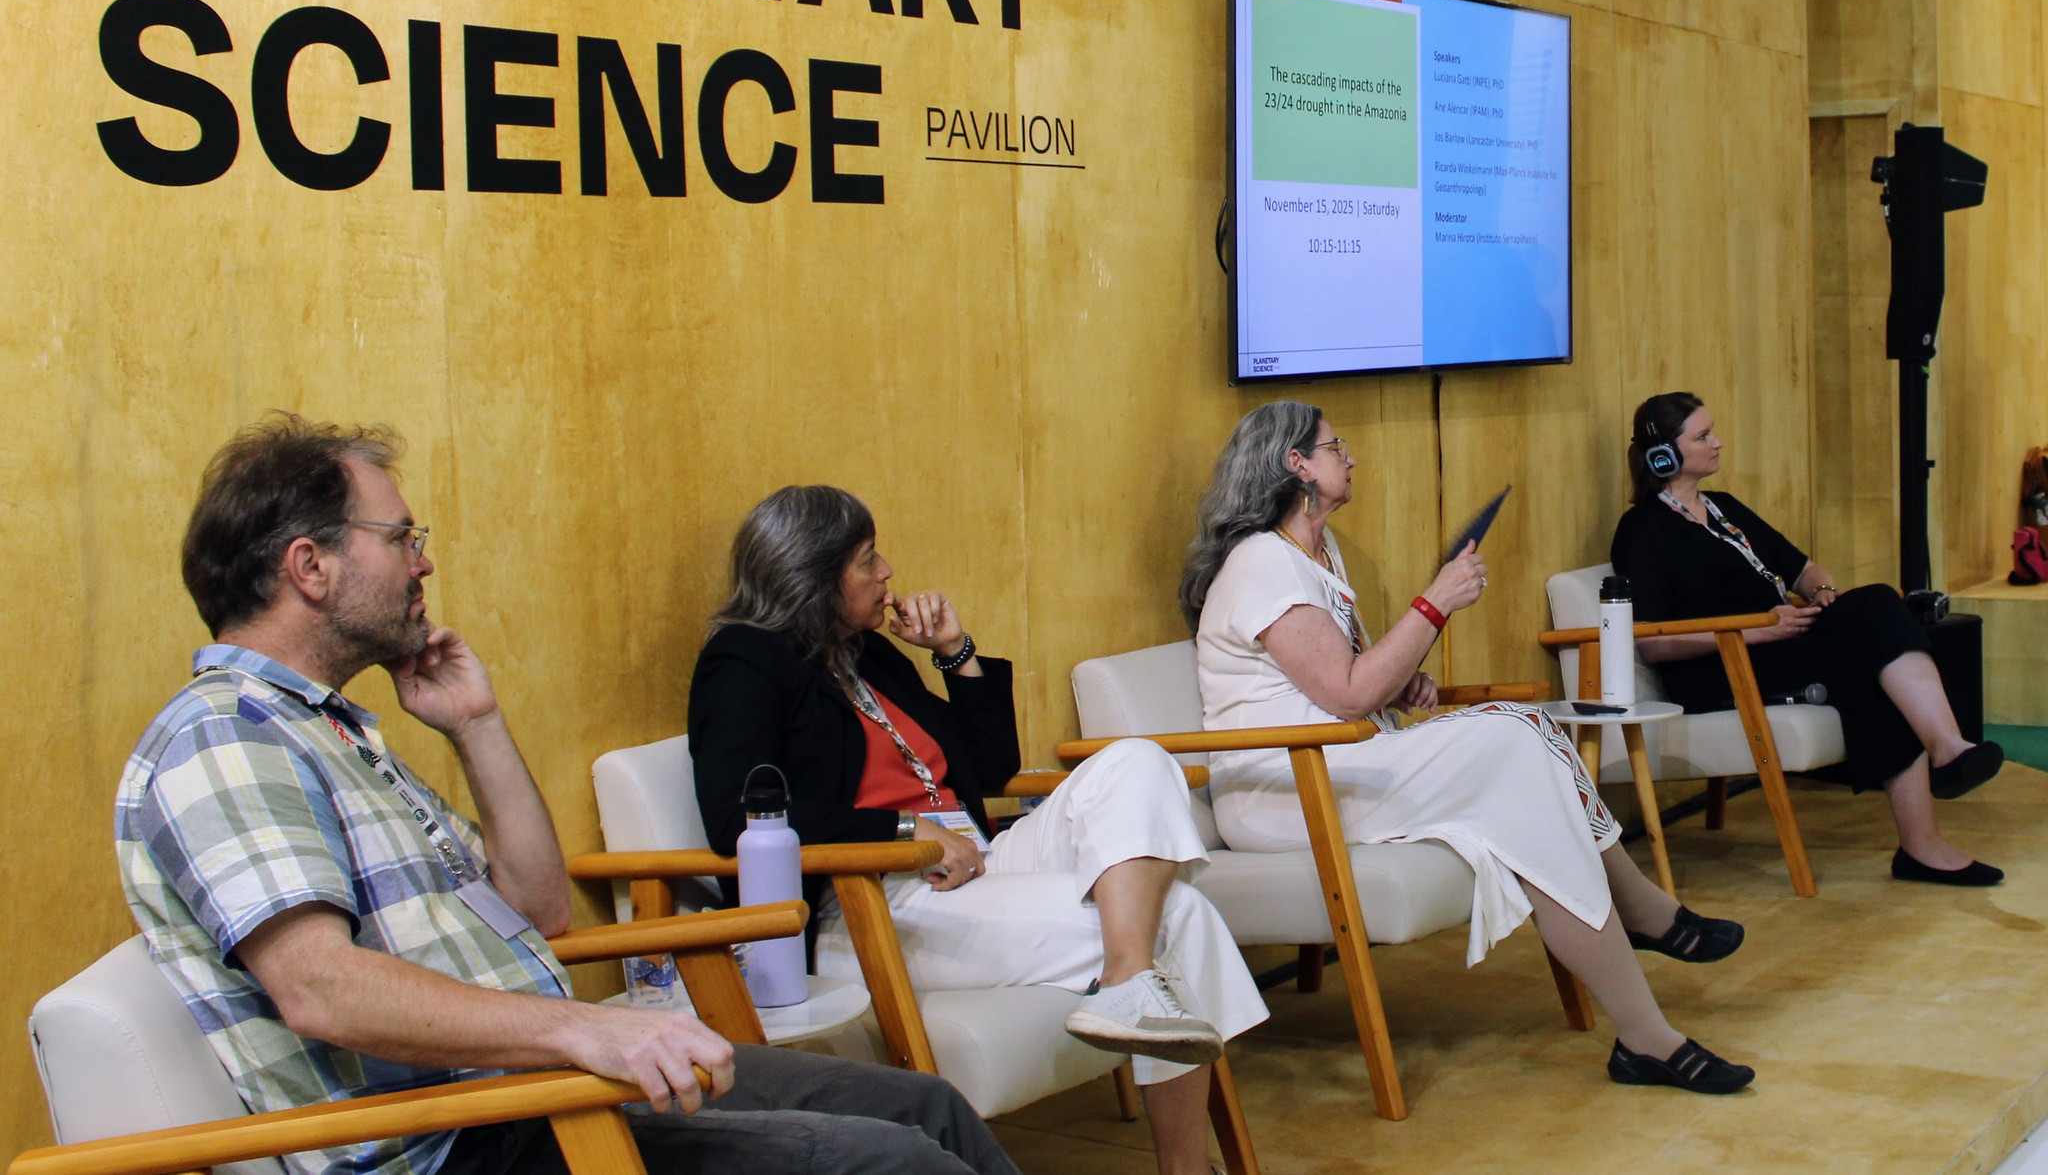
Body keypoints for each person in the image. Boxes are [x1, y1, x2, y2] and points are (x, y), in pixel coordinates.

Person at [117, 416, 1020, 1175]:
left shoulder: (337, 732)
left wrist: (476, 725)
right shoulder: (224, 735)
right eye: (402, 538)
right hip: (463, 1145)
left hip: (532, 1093)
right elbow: (321, 988)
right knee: (894, 1163)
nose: (423, 565)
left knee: (927, 1109)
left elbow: (541, 909)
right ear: (311, 567)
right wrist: (585, 1032)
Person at [689, 485, 1270, 1175]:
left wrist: (955, 651)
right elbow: (740, 819)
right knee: (1177, 914)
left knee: (1137, 758)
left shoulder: (866, 654)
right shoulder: (742, 661)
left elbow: (989, 765)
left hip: (978, 860)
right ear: (810, 576)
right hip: (877, 898)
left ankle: (1125, 973)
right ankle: (1182, 1158)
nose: (887, 573)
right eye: (867, 560)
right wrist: (908, 831)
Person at [1182, 401, 1754, 1095]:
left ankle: (1646, 1018)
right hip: (1284, 788)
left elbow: (1341, 684)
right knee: (1518, 736)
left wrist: (1401, 682)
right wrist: (1434, 604)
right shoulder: (1260, 563)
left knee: (1529, 738)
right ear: (1295, 464)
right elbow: (1345, 693)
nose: (1351, 456)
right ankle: (1644, 934)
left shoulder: (1314, 554)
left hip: (1338, 758)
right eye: (1335, 446)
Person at [1612, 392, 2003, 886]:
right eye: (1704, 436)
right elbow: (1652, 641)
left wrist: (1820, 592)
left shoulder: (1724, 508)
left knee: (1879, 601)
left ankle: (1948, 748)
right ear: (1661, 455)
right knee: (1867, 668)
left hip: (1782, 640)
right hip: (1719, 666)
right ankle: (1923, 846)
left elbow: (1802, 568)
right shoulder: (1643, 529)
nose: (1720, 443)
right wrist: (1754, 631)